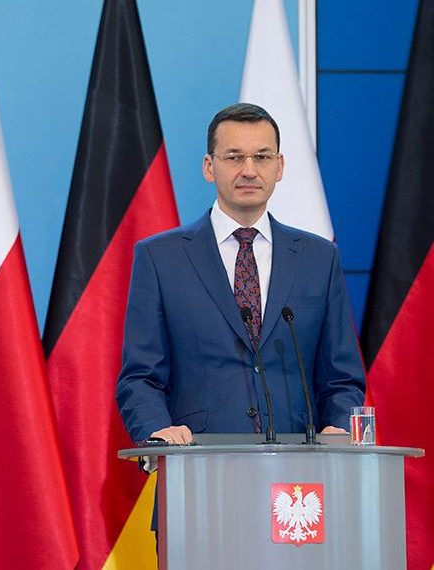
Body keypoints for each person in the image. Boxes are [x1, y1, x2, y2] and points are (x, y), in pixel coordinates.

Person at [116, 103, 365, 446]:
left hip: (299, 466)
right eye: (234, 157)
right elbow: (141, 377)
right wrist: (157, 432)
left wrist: (338, 427)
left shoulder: (319, 258)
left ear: (279, 166)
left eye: (262, 157)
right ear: (209, 166)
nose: (249, 170)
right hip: (197, 461)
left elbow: (342, 378)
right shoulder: (160, 258)